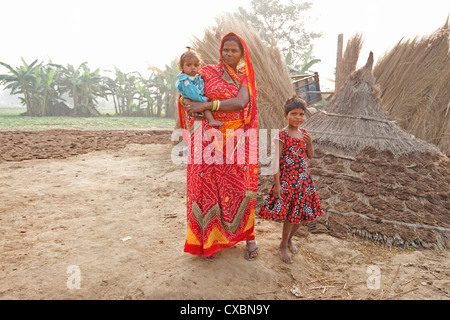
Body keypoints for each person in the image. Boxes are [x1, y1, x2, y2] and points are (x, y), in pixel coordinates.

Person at [178, 32, 259, 261]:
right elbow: (185, 88)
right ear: (220, 52)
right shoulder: (206, 72)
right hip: (205, 140)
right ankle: (209, 240)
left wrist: (206, 104)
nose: (229, 54)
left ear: (242, 54)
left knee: (238, 188)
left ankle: (248, 236)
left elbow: (241, 102)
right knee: (206, 189)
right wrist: (188, 103)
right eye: (226, 50)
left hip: (234, 141)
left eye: (234, 50)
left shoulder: (244, 78)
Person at [258, 96, 324, 264]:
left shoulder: (305, 134)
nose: (298, 117)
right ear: (285, 115)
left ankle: (288, 239)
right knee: (291, 216)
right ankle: (282, 244)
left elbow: (310, 155)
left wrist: (309, 145)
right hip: (288, 181)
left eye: (301, 114)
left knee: (300, 217)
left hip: (303, 181)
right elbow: (275, 161)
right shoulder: (282, 135)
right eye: (293, 113)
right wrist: (277, 184)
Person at [176, 47, 224, 127]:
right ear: (182, 66)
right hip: (195, 99)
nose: (193, 67)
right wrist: (203, 99)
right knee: (205, 107)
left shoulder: (196, 76)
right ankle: (211, 120)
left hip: (196, 99)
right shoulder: (185, 80)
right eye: (189, 65)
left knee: (203, 108)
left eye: (196, 65)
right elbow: (192, 93)